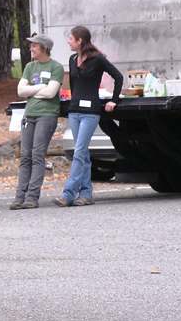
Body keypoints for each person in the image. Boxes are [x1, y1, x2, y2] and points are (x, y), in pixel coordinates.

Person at [53, 26, 123, 207]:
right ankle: (86, 194)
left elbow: (118, 76)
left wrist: (113, 100)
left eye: (70, 38)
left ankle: (68, 194)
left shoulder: (97, 60)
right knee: (82, 154)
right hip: (74, 111)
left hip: (90, 113)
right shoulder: (72, 59)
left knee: (78, 151)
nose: (68, 41)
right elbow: (75, 85)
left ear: (79, 41)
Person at [11, 34, 64, 210]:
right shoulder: (29, 66)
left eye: (34, 46)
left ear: (44, 48)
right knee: (25, 156)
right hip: (29, 114)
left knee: (37, 155)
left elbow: (51, 94)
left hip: (47, 115)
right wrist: (41, 87)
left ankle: (32, 197)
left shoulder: (56, 67)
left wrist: (32, 91)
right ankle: (19, 197)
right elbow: (20, 90)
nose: (31, 49)